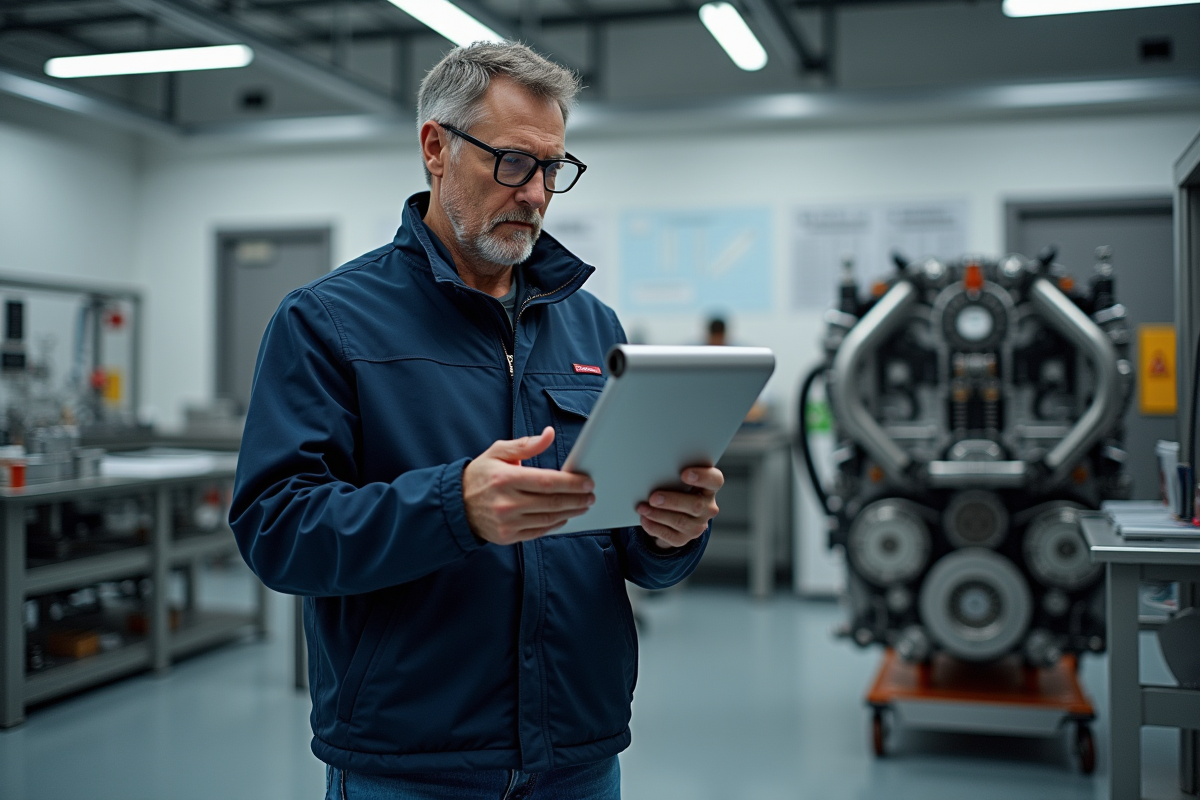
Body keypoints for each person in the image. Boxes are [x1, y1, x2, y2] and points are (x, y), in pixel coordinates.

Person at [229, 42, 723, 800]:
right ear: (436, 148)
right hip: (412, 761)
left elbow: (628, 549)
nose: (536, 194)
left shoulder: (592, 326)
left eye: (553, 170)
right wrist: (451, 507)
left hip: (577, 755)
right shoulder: (327, 321)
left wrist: (673, 532)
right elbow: (276, 530)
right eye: (514, 163)